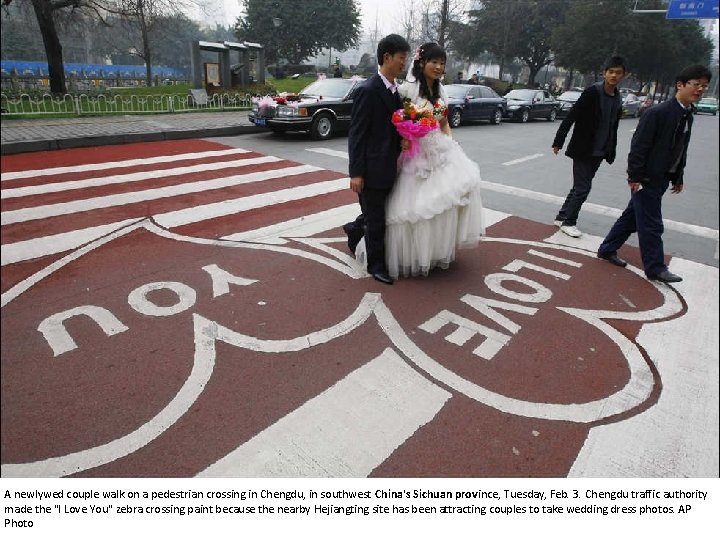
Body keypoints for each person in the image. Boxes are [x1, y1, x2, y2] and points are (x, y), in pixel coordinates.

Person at [356, 42, 484, 280]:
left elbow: (444, 122)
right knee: (414, 208)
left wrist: (452, 143)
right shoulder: (407, 90)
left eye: (442, 63)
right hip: (416, 156)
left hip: (440, 149)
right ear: (422, 63)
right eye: (434, 62)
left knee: (445, 204)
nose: (438, 67)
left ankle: (433, 252)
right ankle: (403, 254)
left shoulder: (441, 91)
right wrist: (405, 139)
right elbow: (394, 121)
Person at [596, 64, 711, 283]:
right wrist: (635, 177)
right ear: (681, 84)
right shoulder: (658, 113)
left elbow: (680, 149)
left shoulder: (687, 114)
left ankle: (607, 249)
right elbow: (638, 147)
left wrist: (678, 176)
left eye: (704, 86)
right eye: (696, 85)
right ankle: (655, 267)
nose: (700, 90)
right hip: (647, 178)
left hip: (662, 177)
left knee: (631, 219)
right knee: (652, 224)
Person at [343, 34, 410, 285]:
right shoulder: (368, 90)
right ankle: (377, 265)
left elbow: (390, 128)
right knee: (376, 219)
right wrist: (356, 173)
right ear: (387, 57)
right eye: (402, 58)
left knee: (376, 212)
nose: (404, 63)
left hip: (388, 166)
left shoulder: (394, 92)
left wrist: (402, 140)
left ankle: (353, 229)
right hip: (371, 169)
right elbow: (357, 135)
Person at [551, 56, 626, 238]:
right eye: (611, 72)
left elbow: (613, 126)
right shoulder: (592, 92)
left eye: (618, 73)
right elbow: (572, 116)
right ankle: (569, 222)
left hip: (600, 151)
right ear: (604, 73)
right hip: (583, 148)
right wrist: (559, 140)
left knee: (579, 186)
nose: (614, 76)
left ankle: (562, 216)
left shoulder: (617, 98)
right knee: (583, 188)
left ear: (623, 75)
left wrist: (611, 149)